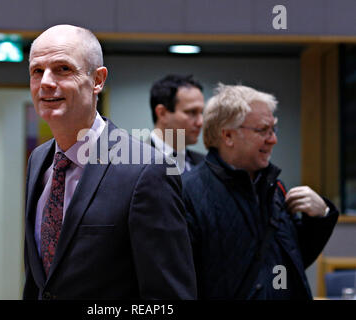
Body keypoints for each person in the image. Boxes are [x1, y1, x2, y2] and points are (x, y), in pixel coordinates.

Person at [23, 24, 196, 300]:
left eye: (63, 69)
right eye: (36, 71)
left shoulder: (147, 170)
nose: (45, 82)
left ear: (97, 80)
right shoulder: (39, 160)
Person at [182, 84, 339, 299]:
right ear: (228, 136)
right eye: (262, 130)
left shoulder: (275, 188)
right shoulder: (188, 193)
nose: (273, 139)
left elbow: (287, 265)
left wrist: (321, 217)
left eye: (273, 129)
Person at [148, 74, 205, 174]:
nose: (200, 122)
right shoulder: (134, 160)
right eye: (192, 112)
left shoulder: (204, 164)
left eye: (201, 112)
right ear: (162, 113)